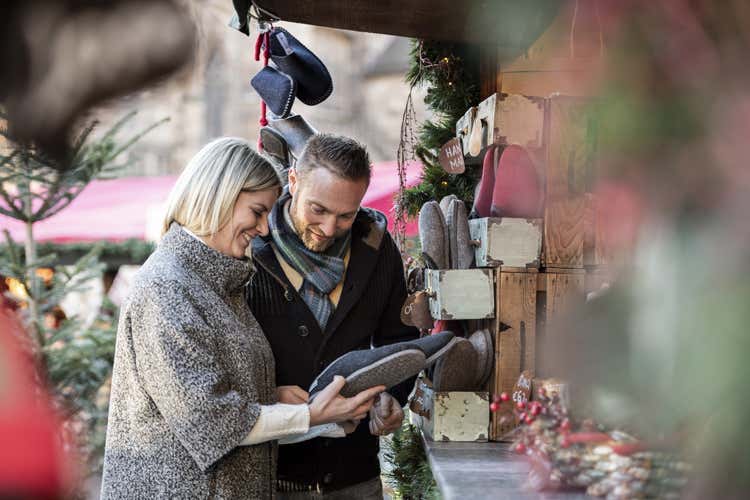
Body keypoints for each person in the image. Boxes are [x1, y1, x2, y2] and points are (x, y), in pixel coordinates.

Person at [100, 137, 384, 499]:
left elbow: (232, 407)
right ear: (219, 195)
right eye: (257, 211)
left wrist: (317, 415)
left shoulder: (216, 281)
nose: (264, 229)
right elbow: (211, 422)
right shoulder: (166, 287)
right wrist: (311, 416)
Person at [247, 134, 420, 498]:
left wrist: (391, 395)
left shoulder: (377, 248)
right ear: (292, 182)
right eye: (318, 210)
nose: (328, 228)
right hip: (269, 480)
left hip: (355, 474)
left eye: (346, 215)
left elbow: (398, 342)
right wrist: (267, 394)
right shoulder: (248, 251)